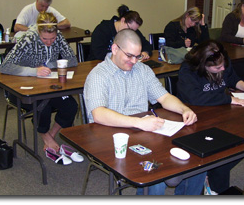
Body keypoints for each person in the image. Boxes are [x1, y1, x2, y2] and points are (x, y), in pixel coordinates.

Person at [84, 29, 205, 195]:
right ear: (114, 49)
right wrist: (138, 122)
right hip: (110, 137)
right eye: (129, 56)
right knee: (155, 172)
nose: (134, 61)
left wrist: (184, 108)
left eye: (138, 56)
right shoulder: (98, 75)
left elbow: (164, 97)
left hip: (142, 131)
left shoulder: (142, 70)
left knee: (197, 158)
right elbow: (98, 114)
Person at [177, 40, 244, 194]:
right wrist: (229, 99)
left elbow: (232, 78)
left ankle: (212, 179)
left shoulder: (221, 60)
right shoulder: (188, 69)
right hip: (195, 119)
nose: (222, 69)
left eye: (223, 66)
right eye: (217, 68)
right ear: (203, 65)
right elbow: (195, 98)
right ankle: (214, 185)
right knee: (222, 159)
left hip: (220, 115)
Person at [0, 12, 78, 154]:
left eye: (52, 38)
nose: (49, 42)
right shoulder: (28, 39)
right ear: (38, 32)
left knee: (71, 106)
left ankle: (50, 135)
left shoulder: (59, 37)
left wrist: (51, 64)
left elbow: (72, 60)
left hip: (48, 86)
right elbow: (5, 66)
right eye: (45, 39)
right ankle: (45, 134)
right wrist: (33, 71)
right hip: (23, 89)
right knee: (44, 107)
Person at [88, 4, 152, 61]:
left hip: (124, 65)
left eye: (134, 30)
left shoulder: (132, 30)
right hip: (100, 64)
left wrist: (145, 52)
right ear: (123, 20)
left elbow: (145, 44)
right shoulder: (102, 29)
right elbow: (98, 53)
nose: (131, 32)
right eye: (130, 28)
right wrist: (123, 55)